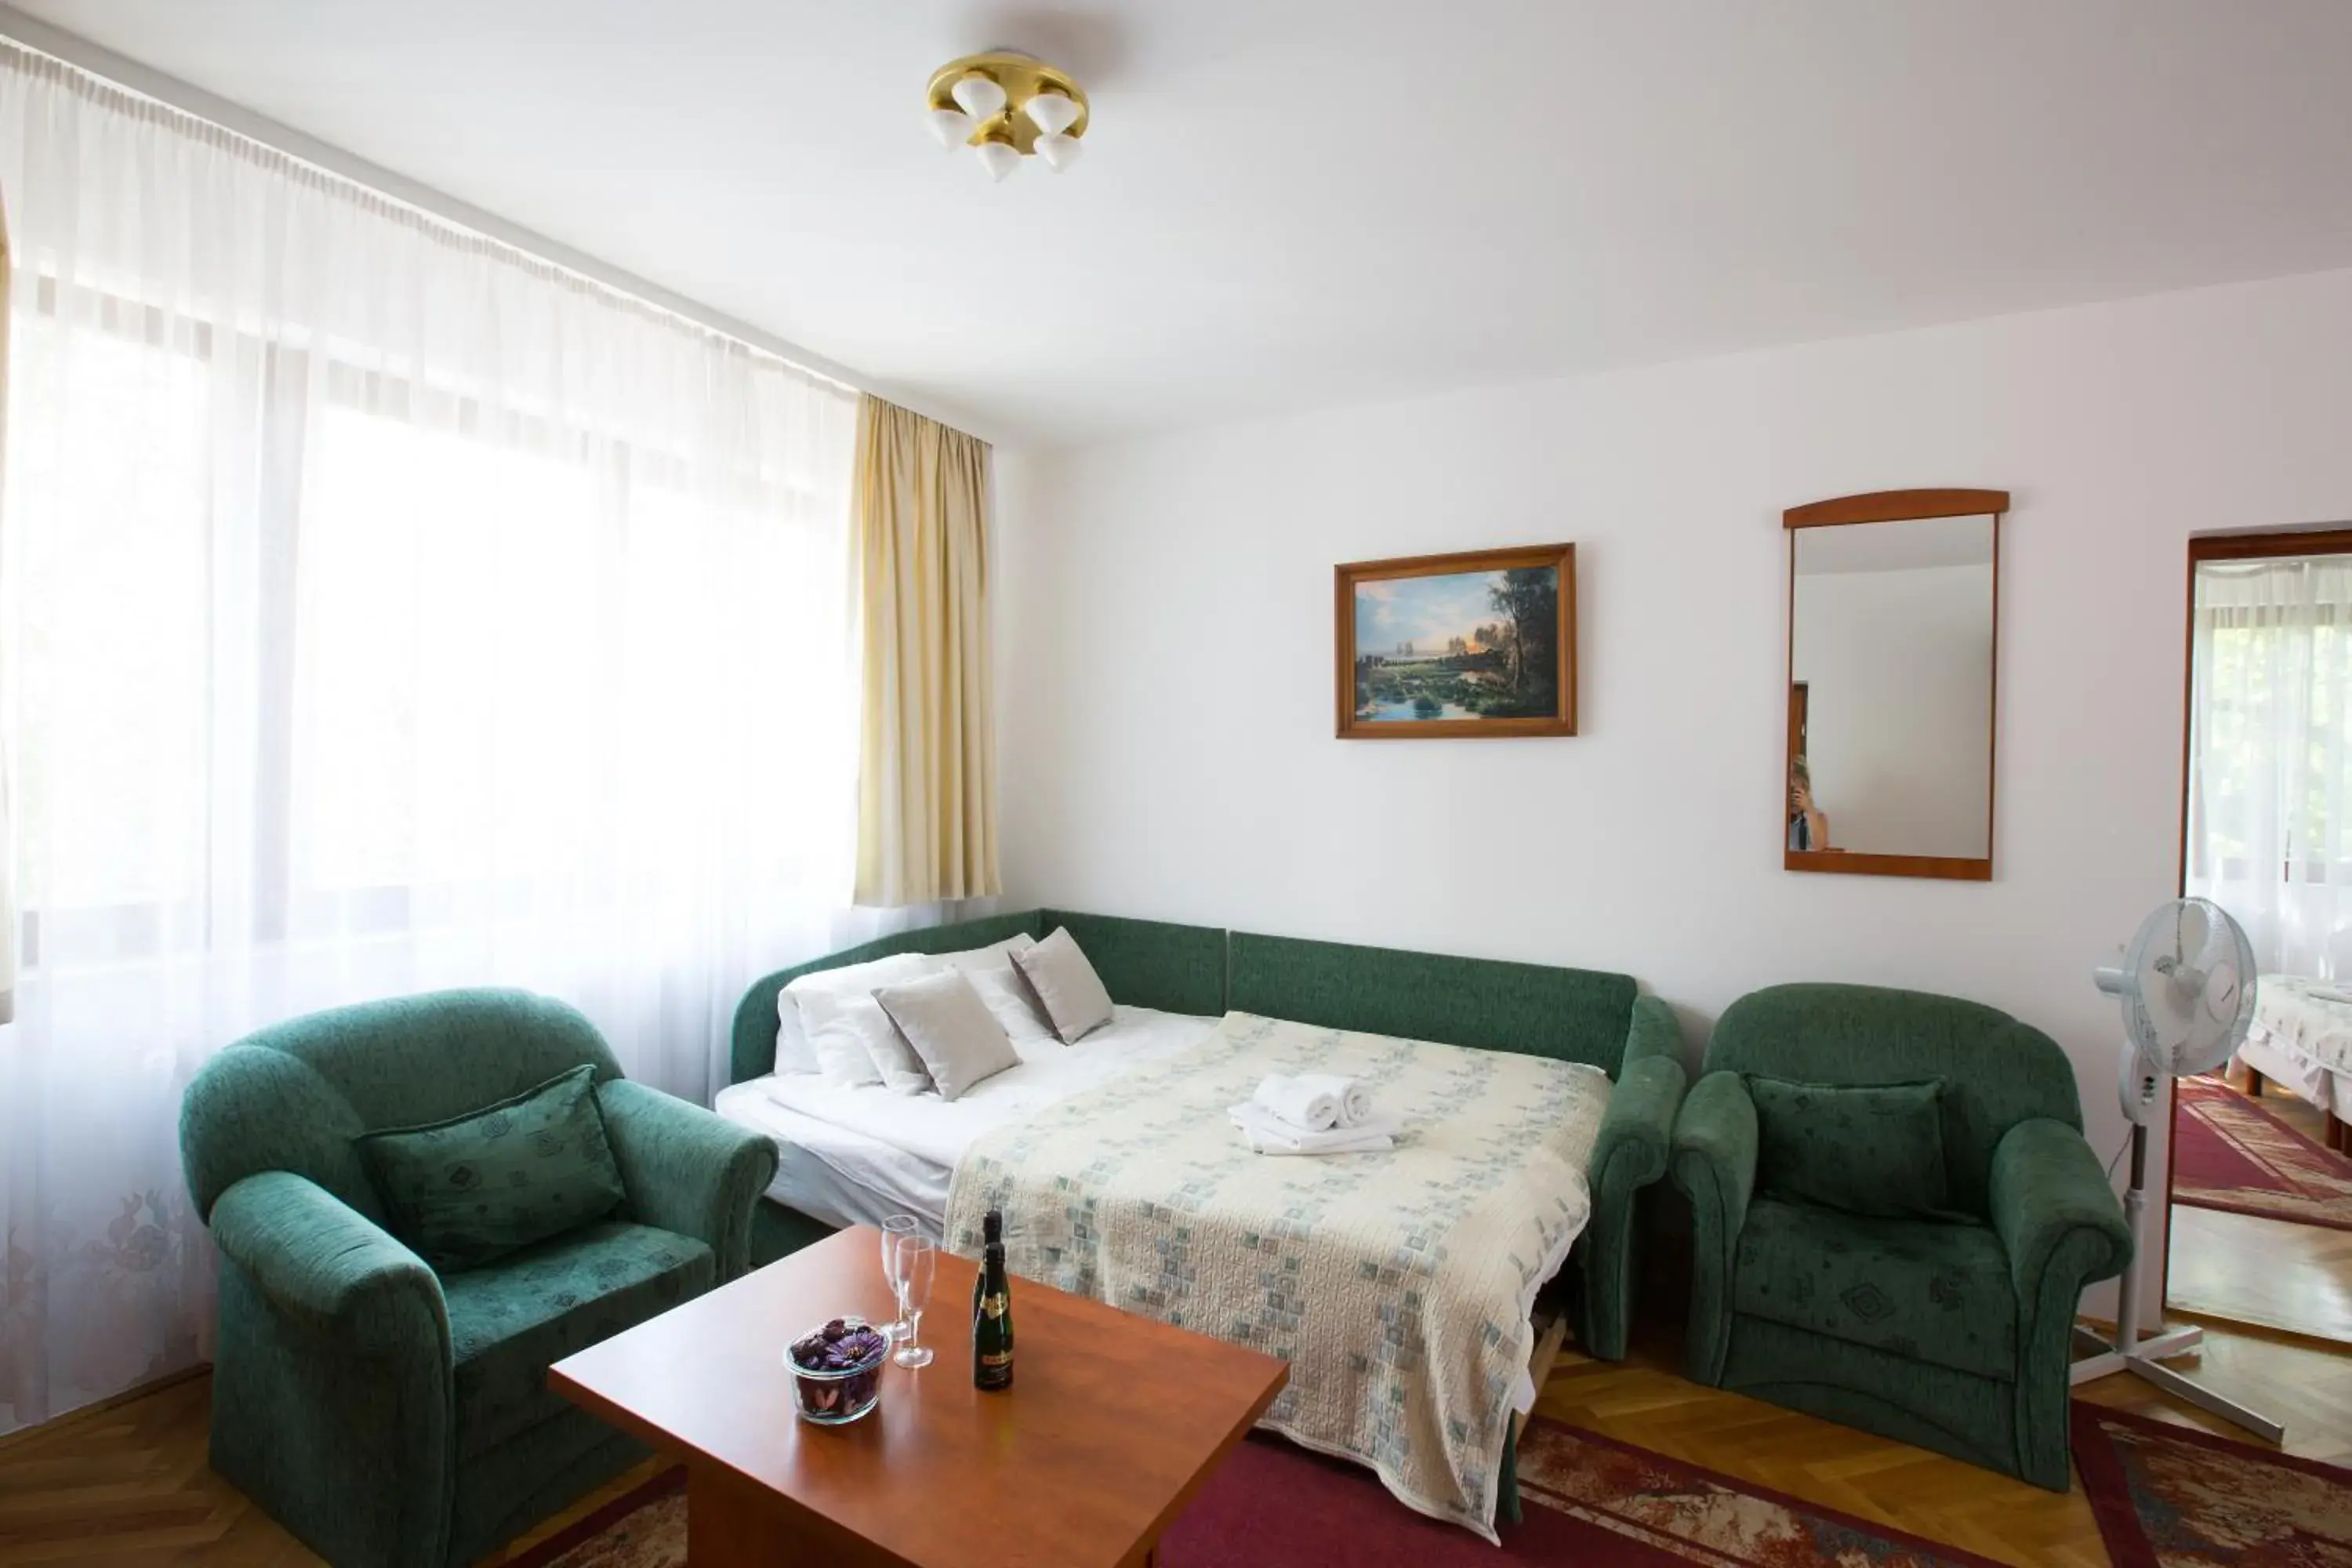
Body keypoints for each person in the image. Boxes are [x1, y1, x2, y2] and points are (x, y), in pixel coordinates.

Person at [1788, 757, 1829, 851]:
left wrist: (1809, 810)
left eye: (1796, 792)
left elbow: (1820, 847)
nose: (1793, 798)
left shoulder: (1818, 816)